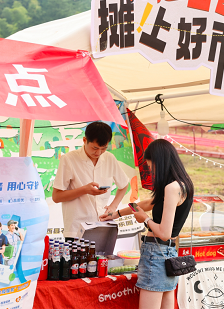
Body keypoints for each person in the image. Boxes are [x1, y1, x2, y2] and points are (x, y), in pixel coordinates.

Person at [100, 139, 194, 309]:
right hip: (169, 254)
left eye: (152, 167)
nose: (152, 173)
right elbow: (144, 205)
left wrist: (145, 219)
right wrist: (116, 214)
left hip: (157, 253)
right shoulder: (182, 184)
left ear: (161, 162)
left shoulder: (171, 188)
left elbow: (164, 232)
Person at [52, 121, 130, 241]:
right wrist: (84, 190)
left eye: (103, 148)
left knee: (104, 260)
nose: (98, 153)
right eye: (95, 148)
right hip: (76, 230)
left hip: (104, 226)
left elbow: (124, 185)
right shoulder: (69, 159)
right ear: (84, 140)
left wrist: (113, 206)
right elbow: (56, 197)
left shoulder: (109, 158)